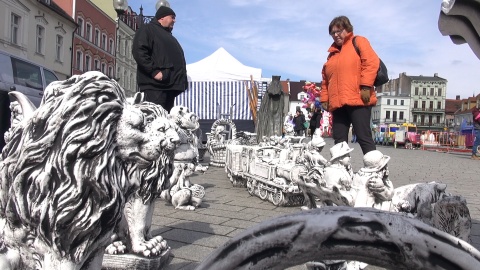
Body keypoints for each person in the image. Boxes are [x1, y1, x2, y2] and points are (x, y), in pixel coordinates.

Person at [320, 16, 379, 155]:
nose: (335, 35)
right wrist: (324, 98)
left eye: (338, 31)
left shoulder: (358, 42)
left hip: (358, 99)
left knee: (363, 136)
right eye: (332, 33)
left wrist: (365, 86)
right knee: (339, 139)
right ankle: (341, 170)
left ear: (347, 29)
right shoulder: (332, 55)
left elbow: (371, 63)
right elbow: (325, 80)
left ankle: (376, 170)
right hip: (338, 103)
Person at [132, 5, 188, 112]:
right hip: (155, 86)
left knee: (164, 121)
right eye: (172, 17)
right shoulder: (148, 29)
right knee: (155, 120)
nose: (174, 21)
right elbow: (139, 51)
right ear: (162, 17)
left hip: (168, 86)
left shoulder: (167, 35)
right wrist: (154, 72)